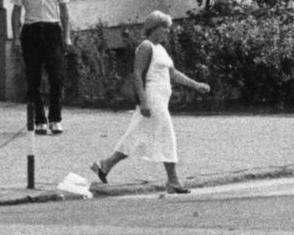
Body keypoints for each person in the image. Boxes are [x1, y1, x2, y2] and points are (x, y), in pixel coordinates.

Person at [90, 10, 210, 194]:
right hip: (153, 99)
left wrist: (196, 85)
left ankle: (104, 165)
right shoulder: (146, 47)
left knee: (136, 135)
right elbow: (137, 75)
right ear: (154, 28)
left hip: (161, 98)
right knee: (167, 135)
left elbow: (173, 73)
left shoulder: (160, 49)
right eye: (165, 28)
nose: (168, 32)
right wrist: (144, 102)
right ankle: (173, 181)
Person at [10, 0, 72, 134]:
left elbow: (64, 11)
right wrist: (15, 38)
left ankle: (55, 118)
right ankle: (39, 119)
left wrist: (67, 36)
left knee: (56, 76)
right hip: (31, 30)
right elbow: (16, 11)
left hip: (52, 30)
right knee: (33, 77)